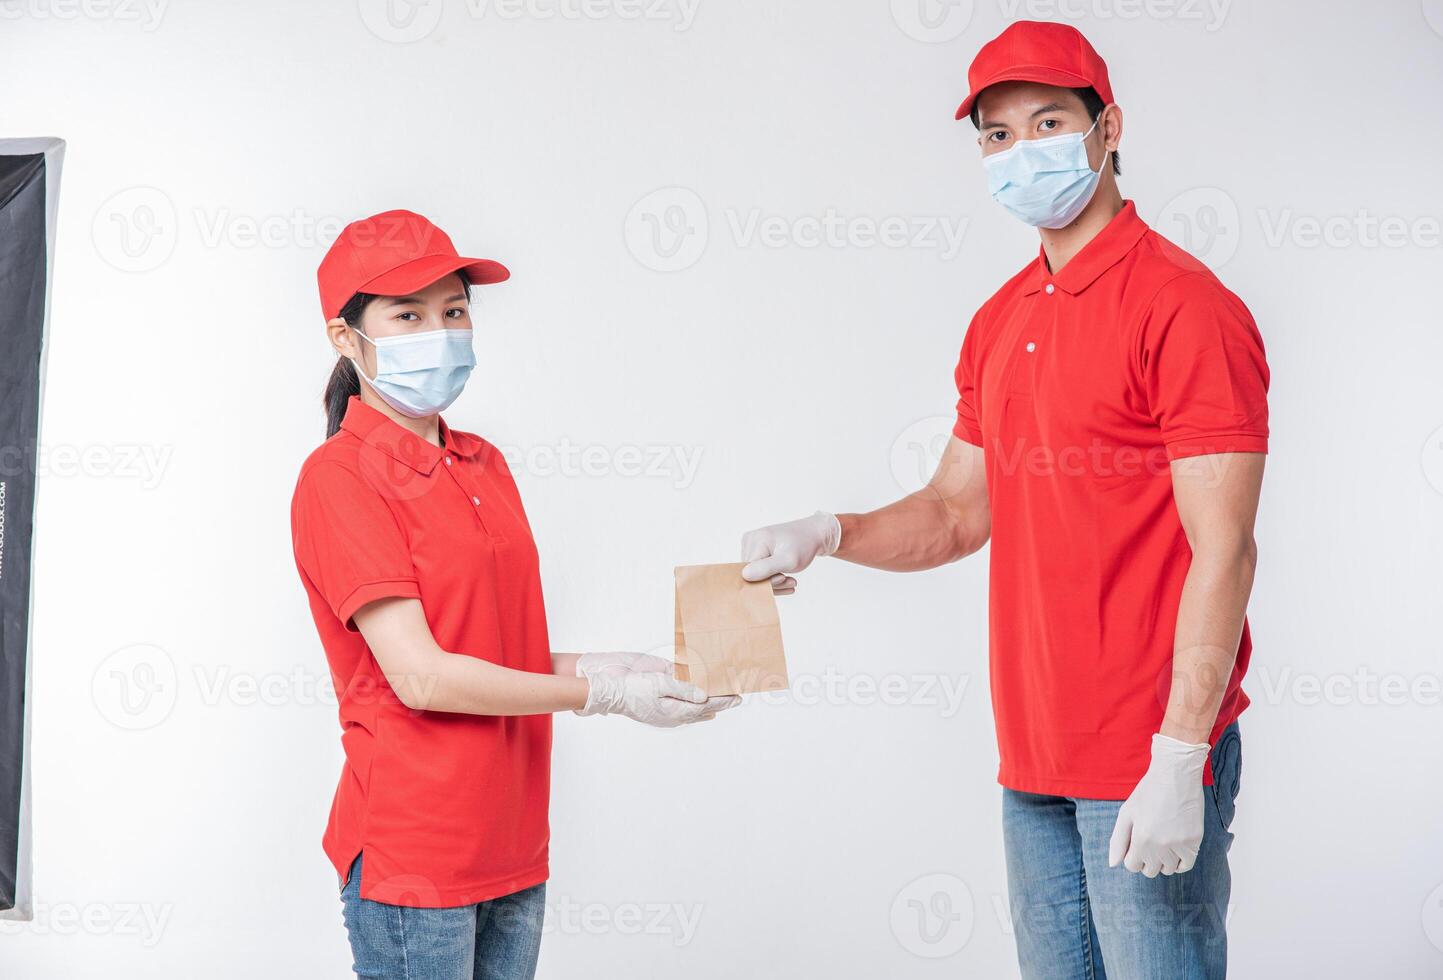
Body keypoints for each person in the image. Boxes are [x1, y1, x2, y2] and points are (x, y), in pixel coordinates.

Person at [740, 21, 1266, 979]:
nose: (1022, 151)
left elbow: (1223, 549)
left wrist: (1183, 750)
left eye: (1048, 122)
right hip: (1032, 758)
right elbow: (954, 511)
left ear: (1107, 129)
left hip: (1146, 752)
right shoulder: (1000, 320)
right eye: (996, 134)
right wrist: (827, 533)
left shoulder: (1185, 308)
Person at [290, 209, 740, 980]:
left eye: (454, 311)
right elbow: (422, 674)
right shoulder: (340, 477)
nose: (441, 330)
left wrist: (624, 667)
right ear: (345, 338)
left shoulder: (483, 464)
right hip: (417, 853)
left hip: (512, 840)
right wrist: (599, 695)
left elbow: (495, 649)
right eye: (408, 315)